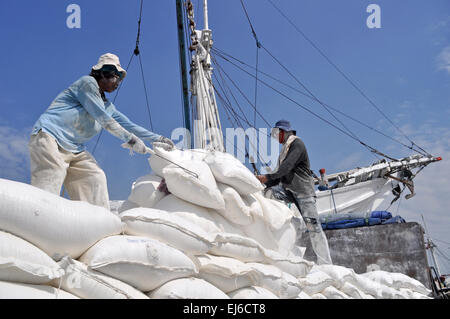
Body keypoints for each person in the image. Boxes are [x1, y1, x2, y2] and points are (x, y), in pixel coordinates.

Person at [29, 53, 175, 210]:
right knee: (52, 177)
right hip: (50, 137)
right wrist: (131, 140)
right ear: (103, 73)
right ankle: (38, 216)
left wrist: (158, 138)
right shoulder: (87, 84)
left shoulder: (108, 105)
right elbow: (104, 119)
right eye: (116, 76)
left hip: (75, 148)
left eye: (120, 78)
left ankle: (96, 222)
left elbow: (129, 125)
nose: (118, 82)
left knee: (95, 178)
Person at [256, 119, 332, 265]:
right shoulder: (285, 150)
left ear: (283, 132)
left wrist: (267, 177)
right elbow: (280, 176)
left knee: (314, 229)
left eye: (277, 134)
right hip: (289, 190)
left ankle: (326, 264)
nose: (276, 138)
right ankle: (291, 224)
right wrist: (263, 183)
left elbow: (286, 168)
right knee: (270, 193)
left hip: (303, 192)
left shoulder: (297, 144)